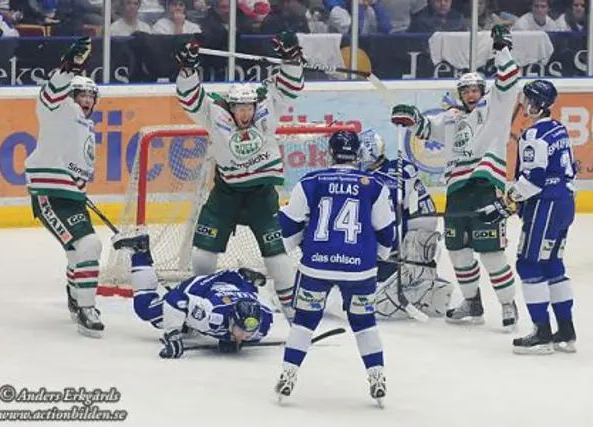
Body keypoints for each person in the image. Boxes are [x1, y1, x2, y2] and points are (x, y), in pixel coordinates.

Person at [390, 24, 520, 331]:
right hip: (457, 191)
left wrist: (502, 51)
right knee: (458, 251)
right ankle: (472, 303)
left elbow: (510, 81)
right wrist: (412, 118)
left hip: (485, 185)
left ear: (483, 92)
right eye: (466, 91)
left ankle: (507, 303)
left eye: (476, 90)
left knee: (491, 253)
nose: (471, 95)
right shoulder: (450, 118)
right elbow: (425, 127)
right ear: (460, 94)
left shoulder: (495, 109)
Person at [174, 31, 305, 322]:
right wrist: (188, 69)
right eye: (239, 108)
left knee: (276, 256)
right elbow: (189, 97)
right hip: (226, 195)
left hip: (261, 197)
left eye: (248, 108)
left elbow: (290, 86)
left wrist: (291, 57)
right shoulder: (215, 113)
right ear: (230, 107)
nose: (245, 114)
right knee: (203, 256)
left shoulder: (267, 107)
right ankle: (199, 306)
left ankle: (294, 313)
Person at [275, 130, 396, 407]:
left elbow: (288, 225)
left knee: (305, 321)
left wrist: (294, 243)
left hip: (316, 267)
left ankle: (288, 374)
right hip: (360, 270)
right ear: (357, 154)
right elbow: (387, 231)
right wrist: (380, 254)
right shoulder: (373, 184)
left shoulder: (311, 181)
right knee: (365, 324)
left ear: (329, 152)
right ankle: (377, 376)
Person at [477, 80, 577, 355]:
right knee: (553, 263)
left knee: (530, 264)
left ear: (537, 104)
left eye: (528, 100)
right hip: (565, 203)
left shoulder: (534, 136)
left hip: (545, 206)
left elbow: (533, 180)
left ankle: (542, 334)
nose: (523, 104)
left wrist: (505, 203)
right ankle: (566, 331)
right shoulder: (559, 129)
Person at [24, 37, 103, 338]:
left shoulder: (86, 126)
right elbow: (49, 95)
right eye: (80, 95)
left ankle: (75, 293)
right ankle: (86, 307)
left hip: (71, 198)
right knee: (88, 246)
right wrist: (68, 69)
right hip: (49, 195)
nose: (85, 101)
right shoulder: (58, 110)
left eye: (90, 96)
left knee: (79, 252)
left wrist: (78, 189)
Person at [113, 234, 274, 357]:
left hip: (231, 286)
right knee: (146, 309)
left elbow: (254, 299)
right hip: (200, 289)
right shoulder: (211, 314)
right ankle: (139, 251)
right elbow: (174, 299)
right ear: (232, 319)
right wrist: (172, 333)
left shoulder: (263, 323)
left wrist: (229, 338)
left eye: (249, 332)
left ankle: (245, 278)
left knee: (247, 294)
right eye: (241, 330)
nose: (246, 336)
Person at [358, 132, 452, 319]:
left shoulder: (399, 170)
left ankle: (416, 280)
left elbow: (413, 210)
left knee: (409, 243)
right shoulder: (365, 175)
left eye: (359, 152)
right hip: (395, 235)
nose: (357, 158)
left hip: (414, 229)